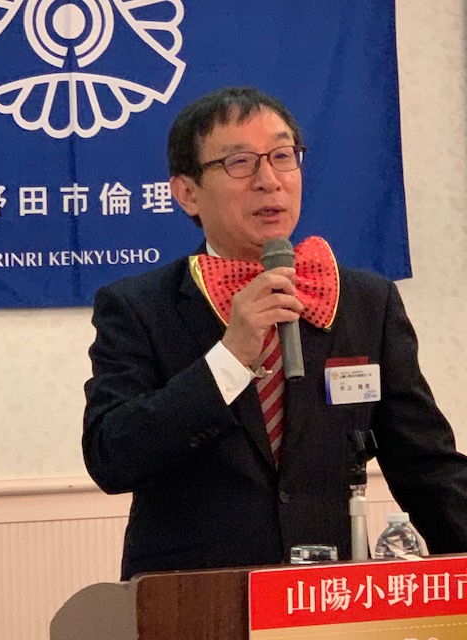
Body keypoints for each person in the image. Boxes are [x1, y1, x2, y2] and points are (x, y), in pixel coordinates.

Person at [83, 86, 467, 581]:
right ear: (187, 192)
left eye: (283, 157)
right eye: (239, 163)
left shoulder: (366, 302)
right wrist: (229, 358)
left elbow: (426, 465)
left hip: (328, 594)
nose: (269, 181)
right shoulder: (138, 306)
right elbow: (112, 457)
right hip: (192, 598)